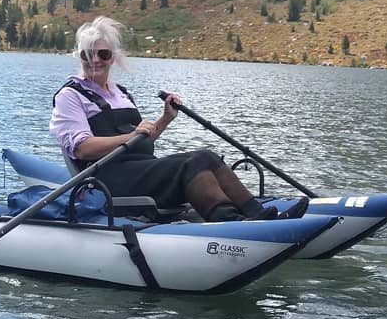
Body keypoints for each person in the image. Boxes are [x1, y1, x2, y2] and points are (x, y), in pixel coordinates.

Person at [50, 16, 301, 222]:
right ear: (79, 57)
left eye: (102, 54)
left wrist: (165, 119)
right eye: (87, 55)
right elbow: (82, 149)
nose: (95, 60)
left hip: (140, 170)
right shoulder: (70, 96)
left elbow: (142, 139)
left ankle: (257, 214)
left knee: (207, 156)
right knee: (191, 162)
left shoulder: (121, 93)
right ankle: (230, 222)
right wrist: (130, 136)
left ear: (112, 58)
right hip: (105, 180)